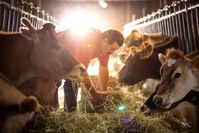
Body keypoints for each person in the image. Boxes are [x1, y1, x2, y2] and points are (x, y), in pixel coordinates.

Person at [57, 28, 124, 112]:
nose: (112, 52)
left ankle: (68, 112)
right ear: (105, 41)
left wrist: (104, 92)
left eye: (114, 50)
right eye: (112, 49)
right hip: (52, 48)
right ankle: (70, 114)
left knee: (71, 80)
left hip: (66, 54)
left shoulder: (105, 49)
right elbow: (81, 72)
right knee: (72, 81)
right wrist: (95, 94)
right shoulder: (89, 42)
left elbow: (103, 68)